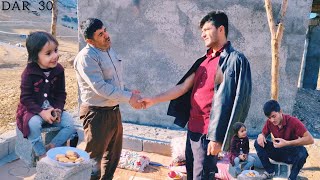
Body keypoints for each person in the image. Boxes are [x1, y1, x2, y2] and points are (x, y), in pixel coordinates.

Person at [139, 11, 252, 179]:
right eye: (202, 31)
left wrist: (220, 138)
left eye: (206, 29)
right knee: (192, 174)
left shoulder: (236, 60)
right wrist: (153, 100)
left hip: (210, 134)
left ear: (221, 29)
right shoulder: (203, 62)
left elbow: (241, 103)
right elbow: (183, 87)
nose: (202, 35)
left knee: (203, 176)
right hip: (193, 131)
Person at [74, 18, 143, 180]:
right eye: (100, 34)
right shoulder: (86, 57)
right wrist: (129, 97)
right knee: (93, 161)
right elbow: (100, 87)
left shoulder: (109, 50)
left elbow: (113, 83)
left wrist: (128, 93)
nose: (106, 35)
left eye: (105, 30)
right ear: (90, 40)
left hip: (113, 111)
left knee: (113, 155)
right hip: (96, 114)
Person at [16, 31, 76, 159]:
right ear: (35, 56)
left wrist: (58, 110)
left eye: (55, 50)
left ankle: (52, 146)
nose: (55, 55)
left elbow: (61, 93)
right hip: (33, 111)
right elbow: (26, 98)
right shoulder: (29, 73)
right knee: (33, 125)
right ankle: (41, 153)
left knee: (70, 124)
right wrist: (42, 112)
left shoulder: (59, 70)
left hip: (53, 109)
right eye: (48, 53)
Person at [254, 100, 314, 180]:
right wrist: (261, 135)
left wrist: (287, 143)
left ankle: (292, 178)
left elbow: (310, 139)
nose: (272, 120)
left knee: (303, 152)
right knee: (257, 143)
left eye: (274, 116)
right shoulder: (269, 122)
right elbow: (263, 133)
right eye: (269, 118)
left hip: (291, 155)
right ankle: (270, 171)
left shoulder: (293, 121)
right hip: (277, 151)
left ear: (280, 111)